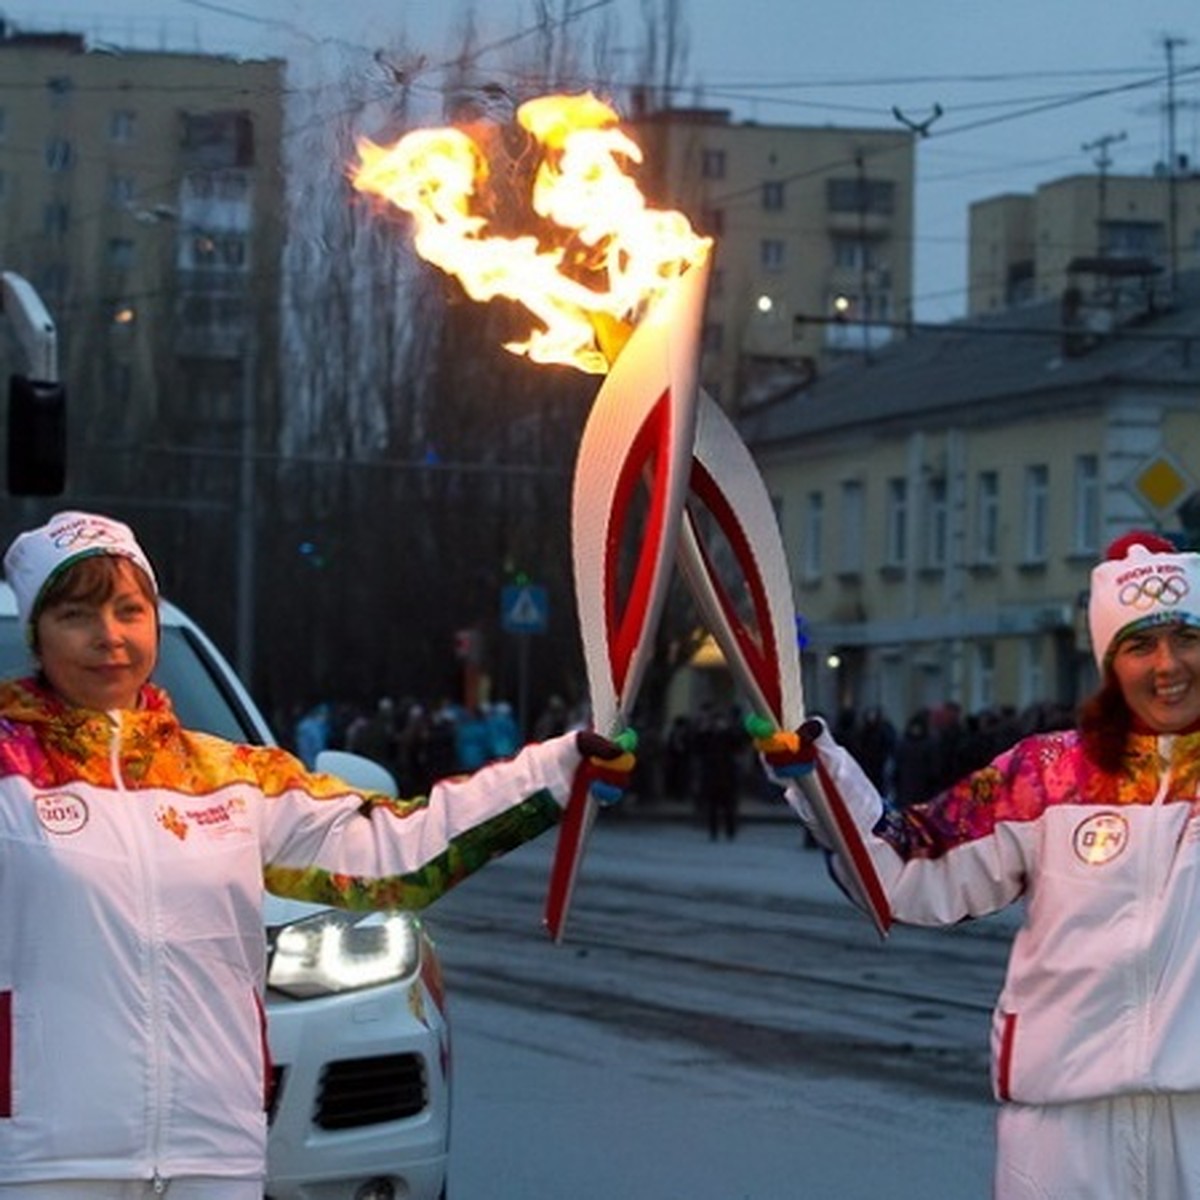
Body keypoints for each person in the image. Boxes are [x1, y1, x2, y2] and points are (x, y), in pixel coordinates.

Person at [0, 510, 635, 1198]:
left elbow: (398, 855)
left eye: (130, 609)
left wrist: (554, 772)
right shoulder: (8, 773)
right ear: (38, 632)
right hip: (47, 1160)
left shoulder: (235, 778)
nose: (110, 637)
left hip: (214, 1157)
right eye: (75, 614)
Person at [753, 530, 1200, 1198]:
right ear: (1111, 662)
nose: (1169, 665)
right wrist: (822, 780)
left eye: (1187, 638)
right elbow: (910, 866)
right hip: (1060, 1124)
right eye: (1140, 644)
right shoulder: (1045, 775)